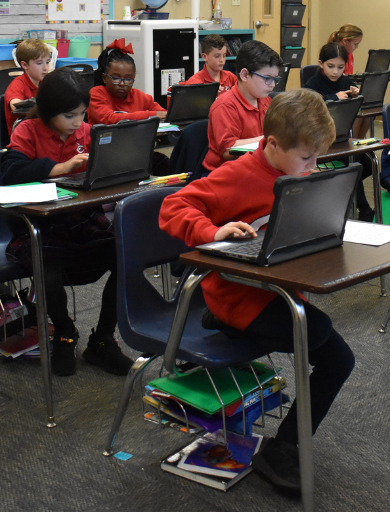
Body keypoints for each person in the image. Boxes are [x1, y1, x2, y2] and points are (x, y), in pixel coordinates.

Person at [160, 89, 355, 495]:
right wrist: (213, 232)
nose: (312, 167)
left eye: (317, 158)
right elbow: (173, 207)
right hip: (235, 295)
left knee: (340, 358)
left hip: (275, 288)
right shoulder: (235, 176)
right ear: (272, 144)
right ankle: (222, 322)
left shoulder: (297, 172)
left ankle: (284, 446)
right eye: (306, 158)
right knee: (316, 334)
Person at [1, 68, 132, 377]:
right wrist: (60, 168)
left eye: (82, 114)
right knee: (45, 263)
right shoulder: (26, 131)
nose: (78, 122)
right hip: (37, 225)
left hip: (81, 219)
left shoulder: (86, 133)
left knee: (126, 255)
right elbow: (10, 175)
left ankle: (102, 339)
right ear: (48, 112)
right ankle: (64, 331)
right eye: (70, 115)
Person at [303, 42, 373, 222]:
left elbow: (352, 101)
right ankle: (363, 208)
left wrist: (354, 94)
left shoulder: (344, 81)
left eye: (340, 67)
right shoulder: (313, 84)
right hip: (319, 140)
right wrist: (334, 98)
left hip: (340, 137)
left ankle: (343, 190)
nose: (335, 72)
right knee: (352, 165)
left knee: (367, 162)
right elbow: (309, 106)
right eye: (330, 66)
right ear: (320, 64)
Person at [203, 39, 283, 172]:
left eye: (275, 79)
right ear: (245, 75)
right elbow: (228, 150)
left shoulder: (265, 100)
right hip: (225, 173)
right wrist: (268, 139)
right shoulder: (225, 105)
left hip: (254, 166)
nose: (272, 85)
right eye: (267, 78)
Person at [88, 39, 166, 125]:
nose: (122, 84)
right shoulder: (96, 94)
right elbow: (109, 119)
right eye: (116, 78)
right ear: (104, 78)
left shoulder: (140, 97)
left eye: (128, 80)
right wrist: (152, 115)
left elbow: (164, 114)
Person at [4, 38, 52, 134]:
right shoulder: (18, 85)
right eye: (39, 63)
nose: (45, 68)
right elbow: (17, 107)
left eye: (47, 62)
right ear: (25, 65)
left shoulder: (44, 83)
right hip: (23, 135)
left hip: (39, 131)